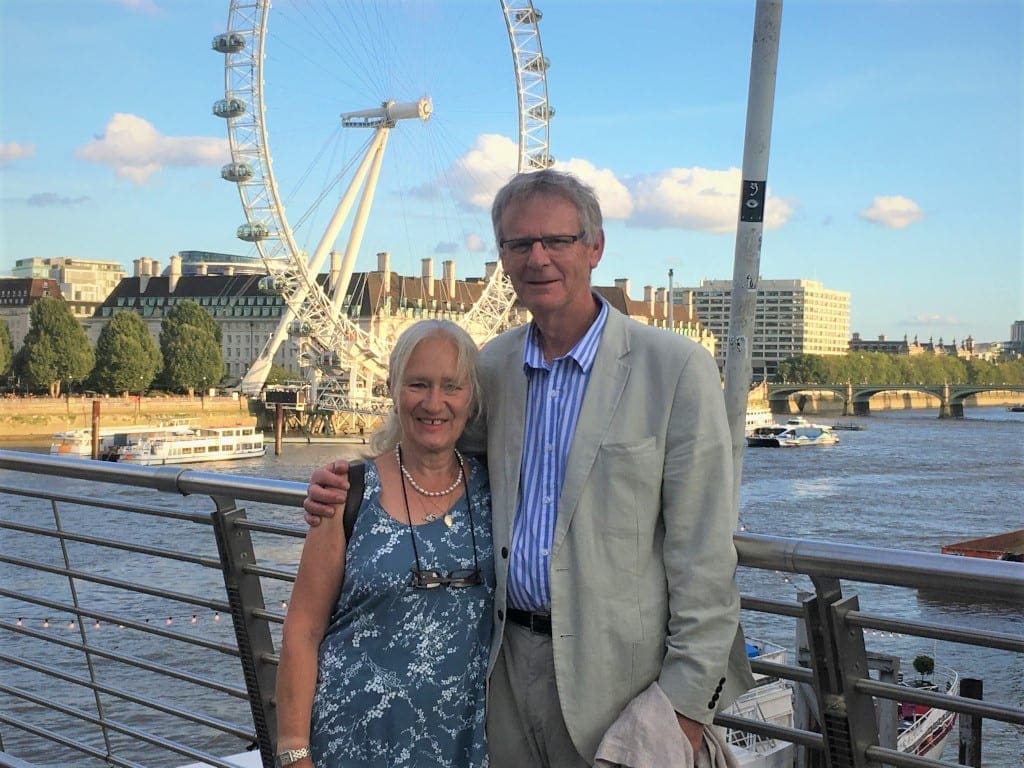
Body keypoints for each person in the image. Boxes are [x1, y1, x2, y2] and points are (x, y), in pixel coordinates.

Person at [304, 169, 753, 767]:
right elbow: (433, 456)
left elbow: (704, 558)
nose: (538, 257)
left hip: (621, 686)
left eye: (557, 241)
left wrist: (685, 709)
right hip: (502, 678)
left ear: (594, 248)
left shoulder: (675, 369)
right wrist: (348, 480)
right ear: (504, 260)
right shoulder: (493, 366)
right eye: (519, 245)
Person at [276, 319, 494, 768]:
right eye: (418, 384)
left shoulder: (498, 492)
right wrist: (294, 751)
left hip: (462, 747)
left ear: (470, 398)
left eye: (451, 386)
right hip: (352, 745)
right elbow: (303, 629)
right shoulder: (346, 493)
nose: (434, 403)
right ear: (392, 389)